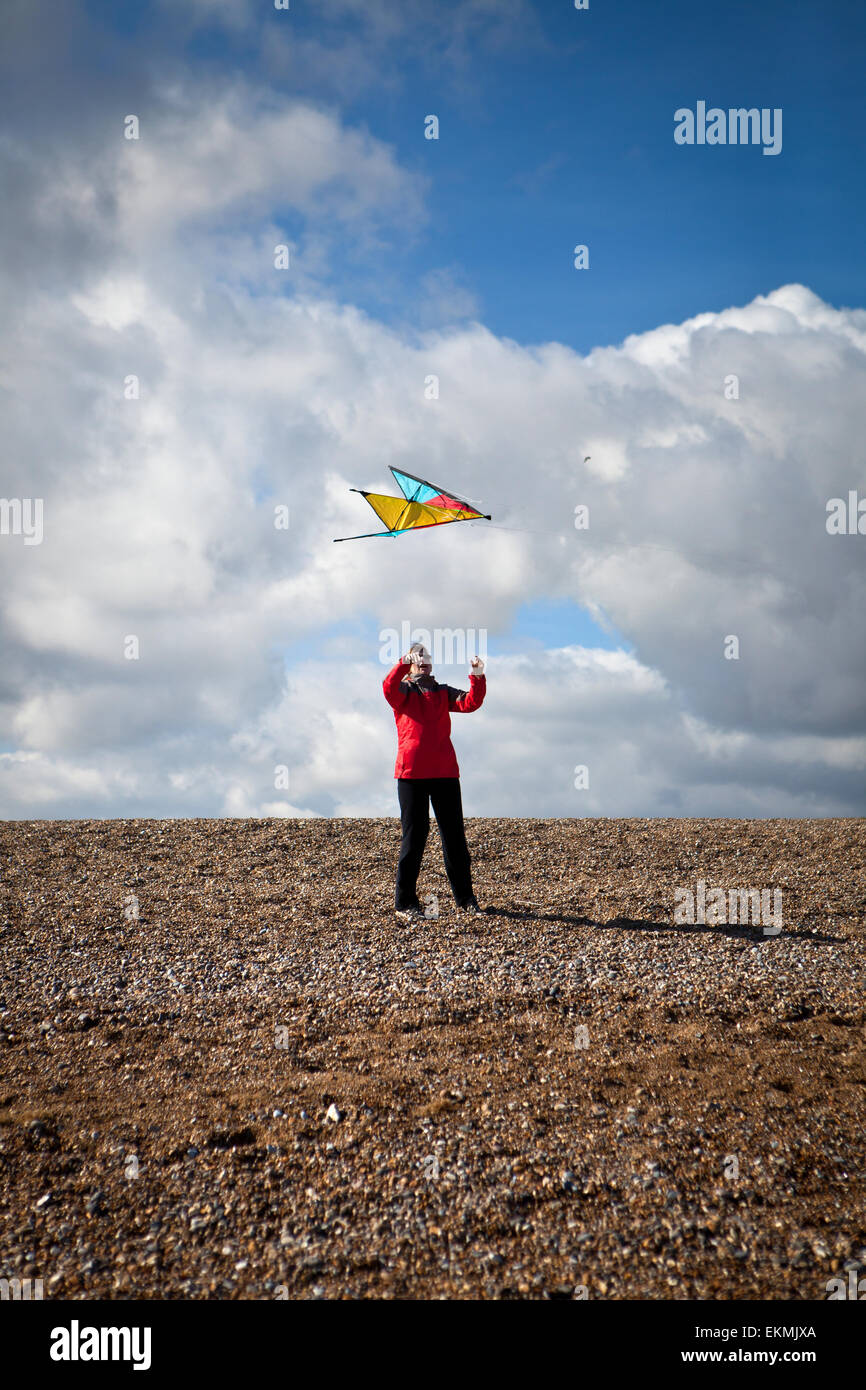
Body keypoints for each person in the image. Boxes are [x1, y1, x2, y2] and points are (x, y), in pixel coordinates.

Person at [383, 642, 486, 922]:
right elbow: (388, 687)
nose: (424, 661)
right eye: (418, 658)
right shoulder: (403, 691)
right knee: (414, 838)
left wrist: (476, 676)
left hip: (445, 773)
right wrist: (403, 661)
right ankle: (405, 903)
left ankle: (466, 901)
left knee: (454, 838)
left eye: (427, 657)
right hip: (411, 774)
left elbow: (470, 703)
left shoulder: (442, 691)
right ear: (410, 663)